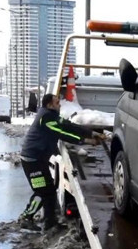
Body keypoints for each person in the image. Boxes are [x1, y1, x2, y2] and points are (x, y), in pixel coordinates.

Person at [19, 93, 102, 231]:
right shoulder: (45, 117)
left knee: (49, 191)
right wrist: (85, 141)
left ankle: (50, 222)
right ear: (50, 105)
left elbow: (68, 125)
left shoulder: (51, 115)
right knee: (43, 191)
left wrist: (91, 133)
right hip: (32, 161)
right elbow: (61, 133)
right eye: (57, 103)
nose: (60, 104)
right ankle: (26, 217)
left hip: (38, 159)